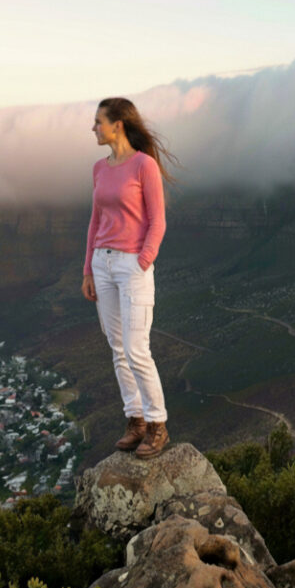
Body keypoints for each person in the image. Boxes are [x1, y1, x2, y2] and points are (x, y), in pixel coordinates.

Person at [82, 97, 177, 459]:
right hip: (103, 265)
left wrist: (142, 262)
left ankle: (157, 425)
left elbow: (158, 221)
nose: (93, 128)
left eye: (98, 122)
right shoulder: (99, 168)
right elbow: (95, 222)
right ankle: (135, 421)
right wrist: (88, 269)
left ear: (117, 124)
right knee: (118, 348)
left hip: (132, 265)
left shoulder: (144, 166)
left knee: (137, 349)